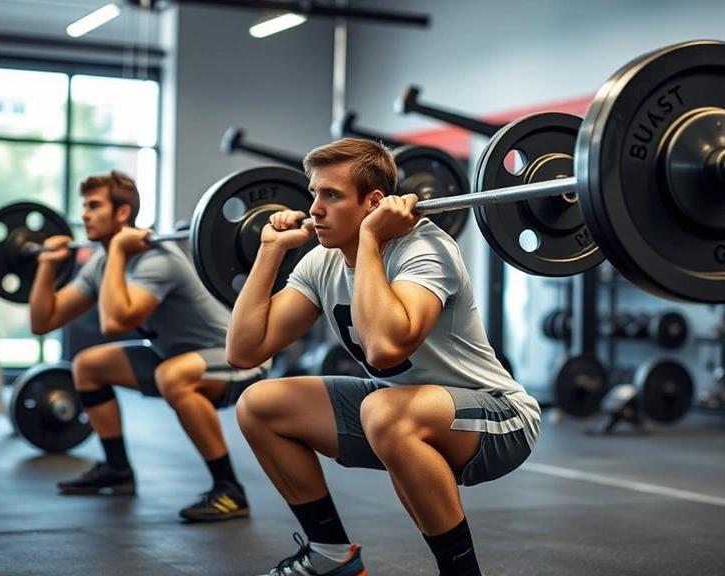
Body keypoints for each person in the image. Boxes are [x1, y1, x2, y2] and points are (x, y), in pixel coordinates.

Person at [227, 138, 541, 576]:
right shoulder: (322, 261)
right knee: (259, 405)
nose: (315, 208)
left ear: (373, 202)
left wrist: (371, 238)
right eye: (314, 193)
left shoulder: (425, 249)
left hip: (498, 417)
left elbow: (385, 347)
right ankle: (329, 554)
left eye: (331, 196)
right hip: (396, 405)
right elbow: (244, 351)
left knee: (383, 411)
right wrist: (270, 251)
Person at [28, 170, 270, 521]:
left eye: (94, 206)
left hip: (237, 357)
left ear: (122, 213)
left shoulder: (158, 259)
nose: (84, 215)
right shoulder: (103, 262)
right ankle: (117, 470)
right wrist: (47, 268)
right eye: (84, 206)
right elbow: (43, 321)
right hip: (175, 356)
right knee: (88, 366)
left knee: (172, 376)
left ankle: (229, 489)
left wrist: (116, 256)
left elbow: (115, 323)